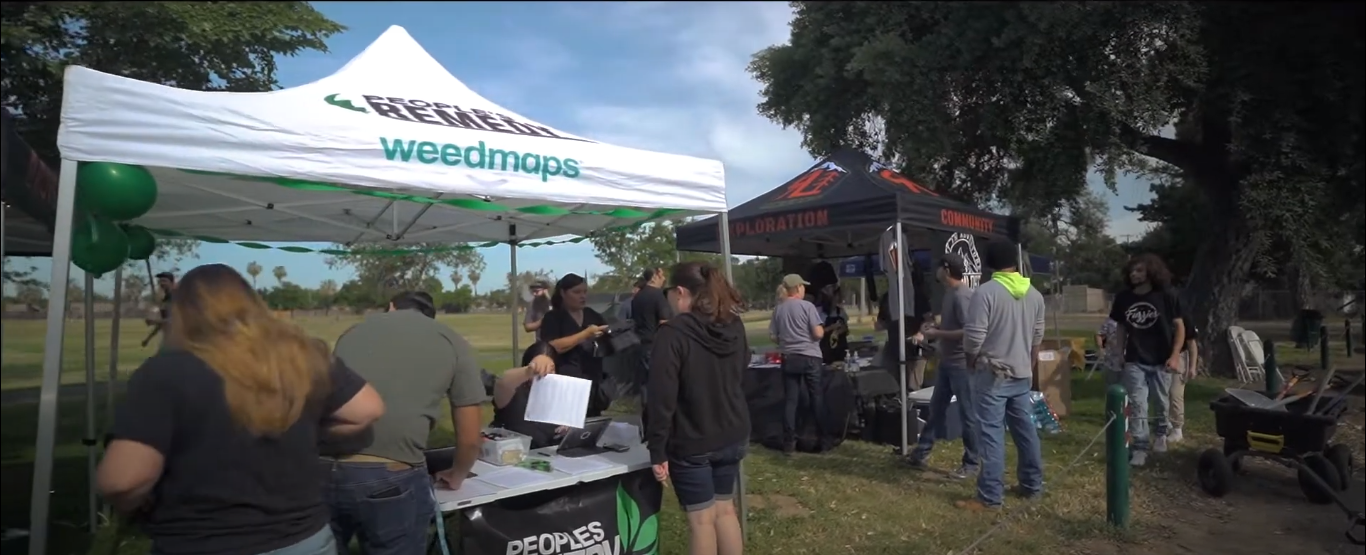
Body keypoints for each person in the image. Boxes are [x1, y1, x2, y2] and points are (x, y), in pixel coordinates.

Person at [97, 264, 385, 555]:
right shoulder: (304, 357)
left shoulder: (164, 371)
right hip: (305, 540)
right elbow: (366, 410)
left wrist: (133, 506)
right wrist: (306, 433)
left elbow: (123, 480)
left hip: (203, 541)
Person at [324, 291, 487, 553]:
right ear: (430, 316)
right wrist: (457, 475)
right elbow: (469, 440)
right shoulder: (450, 339)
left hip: (319, 468)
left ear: (391, 306)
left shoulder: (352, 333)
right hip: (392, 475)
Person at [646, 261, 749, 555]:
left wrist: (658, 449)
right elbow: (742, 372)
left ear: (681, 292)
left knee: (703, 522)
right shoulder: (734, 324)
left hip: (693, 440)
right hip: (732, 431)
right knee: (725, 511)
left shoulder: (672, 334)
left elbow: (661, 396)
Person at [960, 241, 1046, 511]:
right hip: (1021, 374)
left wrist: (970, 361)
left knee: (991, 435)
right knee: (1026, 432)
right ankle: (1032, 486)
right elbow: (1037, 336)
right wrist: (1030, 364)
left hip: (993, 373)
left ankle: (989, 498)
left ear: (989, 263)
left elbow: (974, 337)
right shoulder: (1033, 293)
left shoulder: (985, 292)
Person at [906, 254, 983, 479]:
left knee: (968, 415)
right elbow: (951, 321)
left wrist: (938, 333)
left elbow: (970, 331)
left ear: (947, 270)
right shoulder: (950, 294)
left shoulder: (963, 296)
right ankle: (921, 452)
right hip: (947, 364)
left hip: (962, 365)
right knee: (936, 410)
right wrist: (934, 324)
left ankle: (971, 463)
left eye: (938, 267)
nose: (936, 271)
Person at [1108, 254, 1185, 467]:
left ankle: (1161, 434)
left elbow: (1180, 326)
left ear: (1151, 272)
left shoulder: (1167, 296)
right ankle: (1140, 447)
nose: (1134, 274)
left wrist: (1175, 355)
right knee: (1137, 403)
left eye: (1139, 270)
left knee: (1161, 401)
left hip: (1162, 360)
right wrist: (1119, 352)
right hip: (1135, 359)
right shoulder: (1124, 298)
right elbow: (1121, 327)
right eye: (1132, 271)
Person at [539, 273, 612, 416]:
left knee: (590, 429)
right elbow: (552, 346)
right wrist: (584, 335)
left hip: (592, 383)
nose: (582, 296)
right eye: (577, 292)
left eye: (585, 292)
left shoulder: (592, 314)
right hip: (565, 386)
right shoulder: (553, 317)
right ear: (563, 293)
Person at [769, 274, 825, 455]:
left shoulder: (778, 309)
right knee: (816, 397)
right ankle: (821, 439)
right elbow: (817, 333)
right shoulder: (808, 307)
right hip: (810, 356)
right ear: (798, 288)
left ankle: (789, 443)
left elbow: (773, 336)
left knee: (791, 401)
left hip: (789, 357)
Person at [492, 342, 568, 448]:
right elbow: (502, 382)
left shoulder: (560, 394)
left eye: (550, 370)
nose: (544, 375)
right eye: (538, 371)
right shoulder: (514, 392)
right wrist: (530, 370)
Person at [631, 267, 673, 399]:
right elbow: (664, 321)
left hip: (640, 343)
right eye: (662, 275)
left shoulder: (638, 297)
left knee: (645, 384)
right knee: (660, 383)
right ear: (654, 276)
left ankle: (646, 414)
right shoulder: (658, 295)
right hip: (655, 345)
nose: (664, 278)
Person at [1168, 309, 1200, 443]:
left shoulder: (1184, 317)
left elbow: (1192, 345)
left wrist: (1192, 367)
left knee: (1175, 394)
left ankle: (1177, 428)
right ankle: (1165, 422)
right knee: (1161, 394)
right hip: (1160, 358)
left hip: (1180, 358)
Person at [141, 271, 175, 348]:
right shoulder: (165, 300)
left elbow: (175, 320)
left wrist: (154, 321)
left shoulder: (176, 297)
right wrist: (148, 339)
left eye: (165, 281)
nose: (162, 283)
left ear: (172, 283)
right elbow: (162, 324)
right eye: (160, 281)